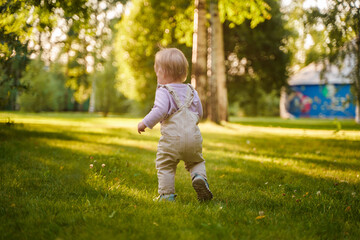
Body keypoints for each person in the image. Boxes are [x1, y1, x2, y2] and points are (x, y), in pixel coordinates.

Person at [137, 48, 213, 202]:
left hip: (171, 140)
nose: (156, 75)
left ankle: (166, 195)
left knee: (165, 165)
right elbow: (199, 112)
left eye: (157, 72)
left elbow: (159, 110)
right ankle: (199, 177)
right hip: (193, 138)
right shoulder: (192, 91)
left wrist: (145, 122)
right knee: (196, 161)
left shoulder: (164, 91)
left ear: (163, 72)